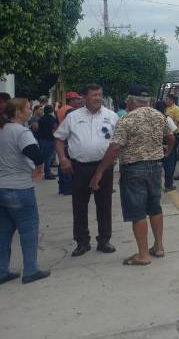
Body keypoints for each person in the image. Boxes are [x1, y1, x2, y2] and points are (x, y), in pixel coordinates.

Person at [89, 84, 174, 266]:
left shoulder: (127, 120)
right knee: (155, 207)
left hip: (134, 169)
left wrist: (99, 172)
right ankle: (158, 247)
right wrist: (166, 153)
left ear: (131, 100)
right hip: (155, 167)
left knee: (138, 212)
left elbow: (115, 148)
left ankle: (143, 255)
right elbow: (172, 137)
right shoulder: (159, 116)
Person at [54, 84, 119, 257]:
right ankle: (82, 242)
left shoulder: (111, 116)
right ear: (84, 97)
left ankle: (104, 240)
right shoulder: (73, 117)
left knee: (104, 204)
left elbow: (119, 141)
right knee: (80, 205)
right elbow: (59, 138)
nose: (98, 98)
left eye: (100, 94)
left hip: (104, 166)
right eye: (94, 95)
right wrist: (63, 158)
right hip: (80, 167)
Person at [0, 98, 50, 284]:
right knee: (28, 229)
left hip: (1, 187)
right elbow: (34, 153)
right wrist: (39, 167)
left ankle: (2, 270)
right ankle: (30, 269)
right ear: (19, 112)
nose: (31, 110)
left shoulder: (2, 129)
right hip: (19, 187)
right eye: (29, 108)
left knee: (3, 232)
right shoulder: (21, 132)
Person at [162, 95, 179, 191]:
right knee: (170, 162)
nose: (165, 101)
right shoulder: (166, 112)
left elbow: (178, 121)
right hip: (167, 138)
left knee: (170, 162)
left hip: (172, 135)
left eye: (167, 99)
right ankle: (168, 184)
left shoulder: (176, 109)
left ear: (172, 100)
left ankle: (168, 183)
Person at [37, 105, 58, 180]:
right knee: (48, 158)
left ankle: (43, 172)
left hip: (42, 139)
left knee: (44, 156)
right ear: (51, 111)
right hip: (50, 139)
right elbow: (55, 129)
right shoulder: (52, 119)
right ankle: (47, 174)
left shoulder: (41, 118)